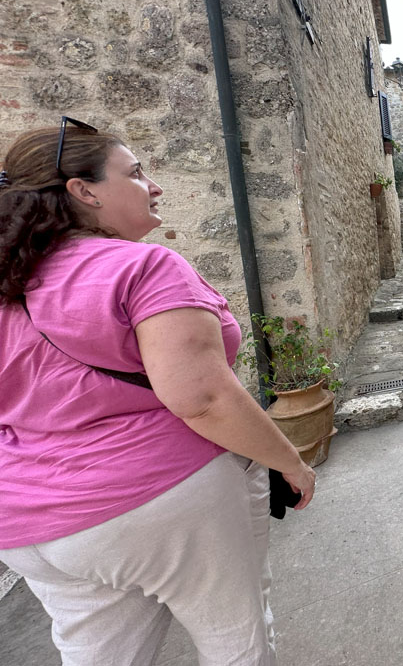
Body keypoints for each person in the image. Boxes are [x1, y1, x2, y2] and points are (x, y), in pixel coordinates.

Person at [0, 120, 316, 665]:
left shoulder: (9, 285)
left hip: (27, 523)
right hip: (158, 500)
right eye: (136, 172)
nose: (155, 186)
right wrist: (291, 463)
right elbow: (204, 399)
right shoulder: (144, 267)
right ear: (84, 190)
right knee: (236, 641)